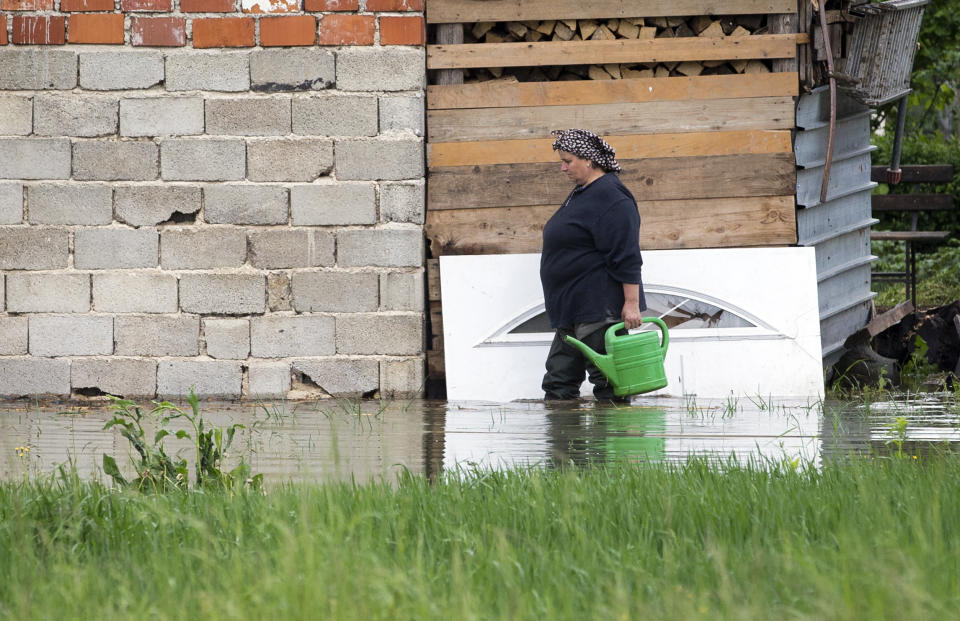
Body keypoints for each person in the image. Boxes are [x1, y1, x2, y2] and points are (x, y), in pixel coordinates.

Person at [539, 128, 646, 401]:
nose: (563, 168)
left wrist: (631, 304)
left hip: (598, 310)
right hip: (573, 310)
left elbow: (627, 254)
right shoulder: (583, 192)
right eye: (561, 161)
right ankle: (565, 441)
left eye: (568, 161)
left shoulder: (612, 197)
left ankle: (616, 441)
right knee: (558, 383)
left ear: (589, 160)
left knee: (609, 385)